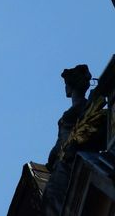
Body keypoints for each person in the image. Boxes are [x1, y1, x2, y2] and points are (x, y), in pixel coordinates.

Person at [42, 64, 91, 216]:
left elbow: (70, 139)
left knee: (54, 198)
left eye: (66, 85)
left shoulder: (82, 106)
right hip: (60, 162)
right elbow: (61, 142)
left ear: (70, 87)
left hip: (67, 161)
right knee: (50, 198)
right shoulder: (80, 106)